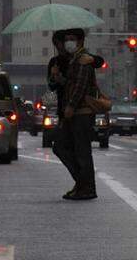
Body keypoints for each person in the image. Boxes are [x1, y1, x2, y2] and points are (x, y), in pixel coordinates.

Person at [48, 28, 105, 200]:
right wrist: (58, 79)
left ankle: (86, 187)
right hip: (71, 112)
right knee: (62, 146)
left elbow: (80, 86)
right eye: (66, 40)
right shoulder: (68, 60)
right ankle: (82, 184)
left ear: (80, 41)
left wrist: (71, 105)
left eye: (71, 39)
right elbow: (70, 84)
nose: (68, 43)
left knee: (81, 150)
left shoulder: (83, 59)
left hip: (80, 112)